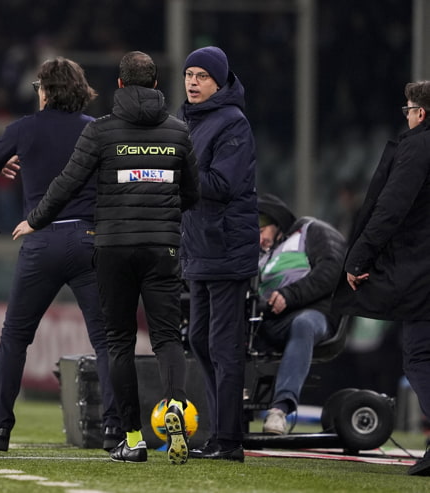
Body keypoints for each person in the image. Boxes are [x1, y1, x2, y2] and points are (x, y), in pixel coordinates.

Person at [13, 51, 200, 465]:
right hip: (162, 248)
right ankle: (175, 407)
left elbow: (65, 184)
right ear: (155, 85)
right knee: (168, 338)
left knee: (119, 342)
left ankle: (131, 438)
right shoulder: (178, 132)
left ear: (119, 85)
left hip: (113, 247)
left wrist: (35, 220)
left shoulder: (101, 131)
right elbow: (193, 193)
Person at [0, 57, 122, 452]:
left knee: (15, 337)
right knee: (106, 341)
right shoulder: (95, 130)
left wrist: (1, 161)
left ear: (45, 90)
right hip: (90, 240)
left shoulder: (25, 128)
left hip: (41, 239)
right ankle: (113, 430)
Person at [333, 80, 430, 476]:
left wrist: (357, 258)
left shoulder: (418, 147)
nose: (406, 117)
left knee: (420, 354)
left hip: (422, 270)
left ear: (420, 113)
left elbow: (389, 209)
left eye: (408, 110)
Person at [176, 46, 259, 462]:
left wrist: (175, 172)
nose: (192, 82)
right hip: (201, 249)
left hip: (226, 248)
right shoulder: (192, 122)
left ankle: (229, 440)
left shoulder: (233, 124)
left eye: (201, 76)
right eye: (189, 74)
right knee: (199, 339)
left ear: (220, 81)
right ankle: (219, 432)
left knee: (223, 345)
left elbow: (220, 184)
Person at [256, 193, 346, 434]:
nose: (258, 240)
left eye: (260, 231)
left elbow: (332, 269)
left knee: (303, 323)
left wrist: (290, 295)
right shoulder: (261, 255)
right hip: (269, 319)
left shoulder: (311, 231)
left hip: (314, 313)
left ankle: (280, 409)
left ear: (273, 222)